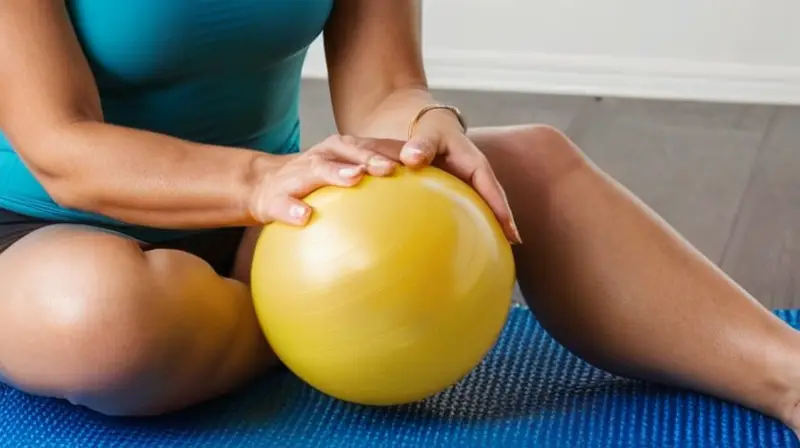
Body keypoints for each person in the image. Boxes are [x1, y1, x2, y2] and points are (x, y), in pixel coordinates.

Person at [1, 0, 799, 434]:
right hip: (43, 230)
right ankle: (303, 331)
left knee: (530, 165)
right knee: (101, 320)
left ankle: (788, 376)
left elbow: (385, 83)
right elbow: (59, 146)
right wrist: (255, 180)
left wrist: (425, 125)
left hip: (269, 218)